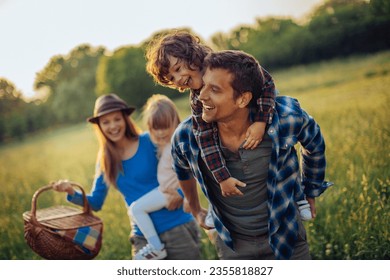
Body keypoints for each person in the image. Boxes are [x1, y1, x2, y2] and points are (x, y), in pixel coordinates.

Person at [171, 50, 333, 260]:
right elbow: (181, 169)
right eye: (203, 85)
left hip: (287, 239)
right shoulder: (186, 136)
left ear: (243, 99)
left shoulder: (285, 118)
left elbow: (315, 144)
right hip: (233, 248)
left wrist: (310, 189)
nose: (201, 95)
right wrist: (195, 209)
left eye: (215, 89)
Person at [145, 30, 312, 221]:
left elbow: (266, 83)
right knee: (216, 156)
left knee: (278, 146)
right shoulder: (197, 101)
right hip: (232, 134)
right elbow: (205, 139)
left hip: (260, 112)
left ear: (192, 55)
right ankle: (218, 210)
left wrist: (260, 121)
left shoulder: (228, 64)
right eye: (172, 79)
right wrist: (222, 177)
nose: (178, 80)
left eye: (177, 69)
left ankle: (298, 195)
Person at [53, 93, 201, 260]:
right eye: (106, 122)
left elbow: (183, 168)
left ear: (125, 119)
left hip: (176, 227)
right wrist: (72, 192)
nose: (113, 126)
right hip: (143, 238)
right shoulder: (105, 161)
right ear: (99, 127)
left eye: (117, 119)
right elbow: (95, 202)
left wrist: (181, 194)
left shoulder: (150, 141)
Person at [128, 94, 189, 260]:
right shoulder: (163, 142)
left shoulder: (176, 145)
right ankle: (155, 246)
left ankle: (156, 247)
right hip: (164, 189)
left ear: (175, 123)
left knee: (136, 209)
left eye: (165, 127)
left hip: (169, 191)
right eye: (156, 128)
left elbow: (191, 169)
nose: (161, 132)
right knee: (135, 209)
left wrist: (184, 194)